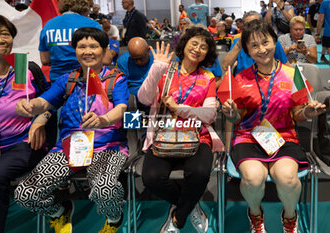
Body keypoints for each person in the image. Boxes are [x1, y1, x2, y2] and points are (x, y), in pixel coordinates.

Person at [14, 27, 130, 233]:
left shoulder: (115, 78)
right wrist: (31, 106)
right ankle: (60, 212)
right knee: (26, 193)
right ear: (74, 50)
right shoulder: (67, 79)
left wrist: (103, 120)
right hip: (69, 148)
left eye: (94, 46)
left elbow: (122, 108)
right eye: (81, 46)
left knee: (105, 189)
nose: (88, 51)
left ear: (103, 50)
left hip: (108, 147)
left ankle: (114, 218)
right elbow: (45, 101)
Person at [221, 19, 326, 233]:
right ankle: (256, 215)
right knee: (252, 179)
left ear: (275, 41)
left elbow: (298, 113)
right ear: (248, 51)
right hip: (248, 137)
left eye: (265, 42)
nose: (262, 49)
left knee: (287, 179)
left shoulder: (293, 74)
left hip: (284, 137)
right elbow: (238, 117)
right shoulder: (240, 79)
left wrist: (308, 111)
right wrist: (232, 114)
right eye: (254, 45)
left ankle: (289, 218)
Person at [138, 26, 224, 233]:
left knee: (200, 172)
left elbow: (210, 115)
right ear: (184, 45)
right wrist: (156, 69)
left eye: (203, 47)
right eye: (194, 43)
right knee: (151, 177)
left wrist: (180, 109)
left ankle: (178, 218)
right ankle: (189, 205)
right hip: (163, 136)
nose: (197, 49)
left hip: (197, 136)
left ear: (207, 54)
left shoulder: (208, 78)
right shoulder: (165, 71)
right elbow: (143, 98)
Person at [0, 13, 48, 233]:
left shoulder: (24, 70)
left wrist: (40, 119)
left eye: (5, 34)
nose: (1, 39)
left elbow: (52, 102)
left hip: (21, 144)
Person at [39, 0, 102, 83]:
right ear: (85, 6)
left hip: (57, 81)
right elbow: (104, 58)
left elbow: (45, 60)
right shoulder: (93, 25)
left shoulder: (48, 25)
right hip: (85, 81)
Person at [222, 11, 288, 74]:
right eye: (248, 25)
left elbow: (285, 64)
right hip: (244, 81)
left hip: (270, 80)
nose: (252, 28)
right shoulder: (238, 42)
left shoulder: (271, 41)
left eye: (256, 24)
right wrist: (240, 44)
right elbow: (225, 66)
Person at [316, 0, 330, 65]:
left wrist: (317, 33)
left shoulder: (325, 3)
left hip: (328, 31)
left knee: (326, 43)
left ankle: (322, 56)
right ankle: (323, 56)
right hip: (327, 32)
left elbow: (321, 20)